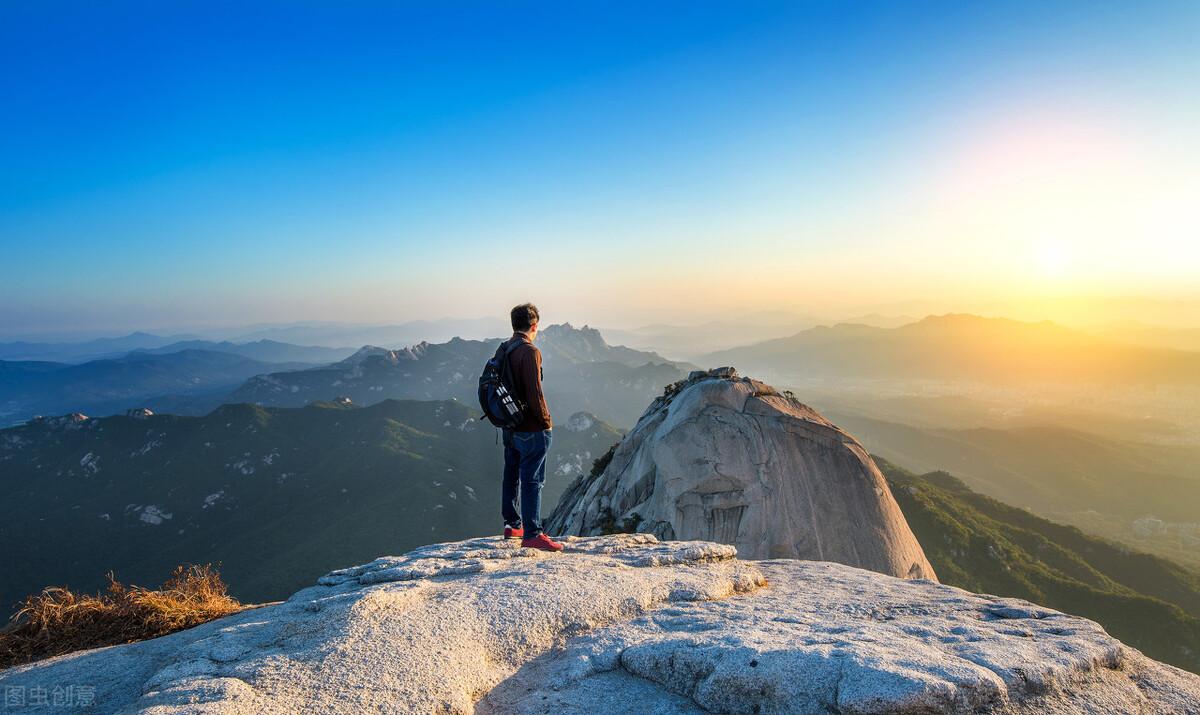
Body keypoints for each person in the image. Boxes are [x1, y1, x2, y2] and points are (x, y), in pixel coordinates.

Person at [500, 303, 563, 552]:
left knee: (511, 475)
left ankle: (512, 525)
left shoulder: (504, 348)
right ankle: (532, 533)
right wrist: (546, 422)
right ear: (534, 326)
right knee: (533, 480)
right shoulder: (530, 352)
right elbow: (535, 394)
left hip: (509, 426)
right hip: (530, 429)